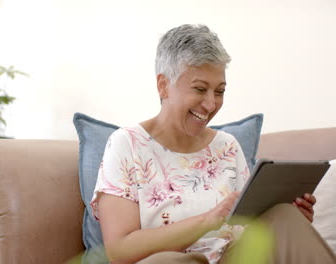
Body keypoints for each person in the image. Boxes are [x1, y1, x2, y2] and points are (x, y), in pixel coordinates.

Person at [90, 24, 336, 264]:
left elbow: (251, 226)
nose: (210, 104)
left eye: (219, 91)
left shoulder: (227, 146)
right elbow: (119, 251)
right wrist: (208, 220)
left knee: (285, 217)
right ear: (163, 85)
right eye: (200, 89)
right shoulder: (127, 144)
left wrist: (287, 218)